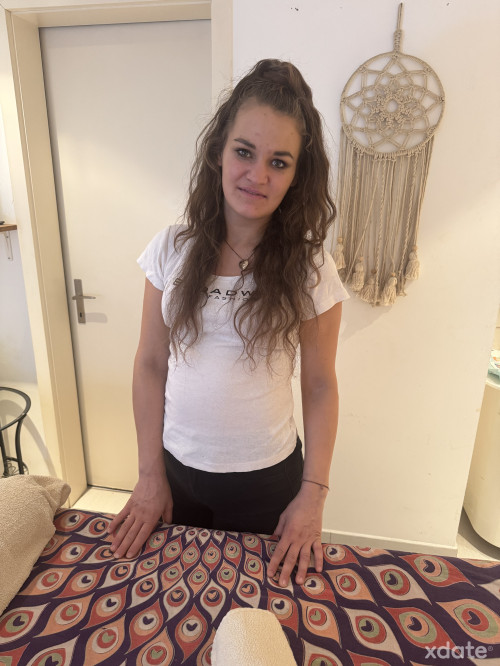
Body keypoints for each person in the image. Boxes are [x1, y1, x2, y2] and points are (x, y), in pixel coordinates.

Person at [108, 59, 349, 587]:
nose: (257, 175)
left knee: (259, 613)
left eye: (279, 162)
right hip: (175, 473)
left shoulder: (311, 268)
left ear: (297, 175)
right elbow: (150, 364)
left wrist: (313, 496)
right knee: (172, 602)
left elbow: (320, 385)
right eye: (244, 151)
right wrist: (149, 476)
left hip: (268, 483)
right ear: (219, 150)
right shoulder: (171, 248)